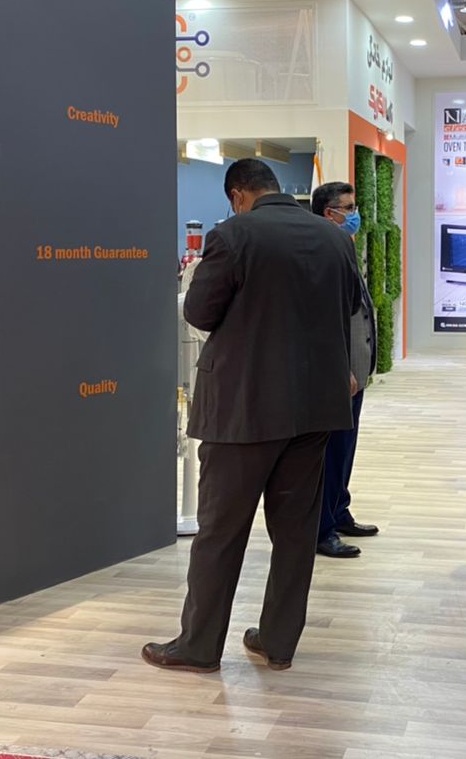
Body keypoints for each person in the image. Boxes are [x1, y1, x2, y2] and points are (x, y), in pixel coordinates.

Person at [142, 159, 361, 674]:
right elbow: (351, 303)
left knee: (220, 531)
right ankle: (278, 643)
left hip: (243, 408)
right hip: (314, 407)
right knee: (295, 533)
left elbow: (199, 312)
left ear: (238, 194)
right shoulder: (335, 239)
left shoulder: (232, 236)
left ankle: (198, 646)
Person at [311, 181, 380, 560]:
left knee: (346, 448)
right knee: (333, 451)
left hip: (355, 370)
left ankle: (339, 511)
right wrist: (341, 368)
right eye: (349, 208)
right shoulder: (323, 250)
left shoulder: (344, 245)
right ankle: (323, 529)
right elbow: (326, 318)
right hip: (339, 373)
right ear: (330, 213)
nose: (355, 214)